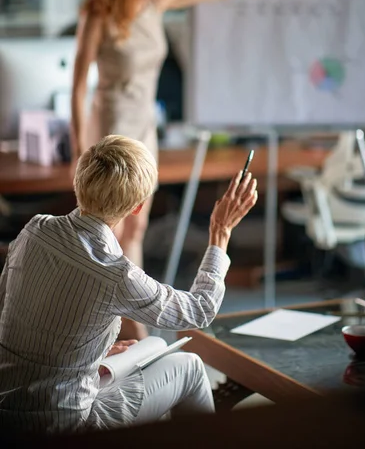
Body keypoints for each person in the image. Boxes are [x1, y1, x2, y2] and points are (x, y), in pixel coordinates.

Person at [71, 0, 316, 338]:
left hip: (144, 129)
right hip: (110, 128)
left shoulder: (157, 4)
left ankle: (131, 330)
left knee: (135, 228)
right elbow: (79, 85)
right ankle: (122, 330)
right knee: (108, 231)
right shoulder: (98, 13)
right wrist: (80, 153)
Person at [0, 135, 258, 434]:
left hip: (7, 406)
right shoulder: (117, 275)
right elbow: (200, 310)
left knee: (156, 345)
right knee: (189, 366)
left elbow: (6, 309)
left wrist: (91, 354)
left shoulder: (35, 229)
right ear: (137, 208)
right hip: (63, 422)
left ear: (78, 182)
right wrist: (220, 231)